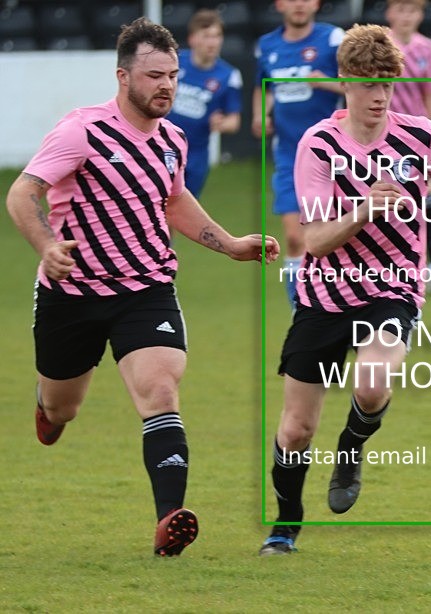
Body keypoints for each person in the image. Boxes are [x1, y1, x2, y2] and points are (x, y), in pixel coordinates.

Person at [5, 18, 279, 557]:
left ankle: (168, 520)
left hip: (145, 287)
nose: (168, 86)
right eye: (155, 76)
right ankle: (47, 404)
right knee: (64, 409)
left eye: (173, 76)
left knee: (160, 392)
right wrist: (47, 247)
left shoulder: (173, 138)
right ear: (123, 75)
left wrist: (230, 244)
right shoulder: (80, 131)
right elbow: (21, 194)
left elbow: (173, 201)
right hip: (73, 293)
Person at [258, 24, 431, 555]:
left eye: (387, 82)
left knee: (373, 379)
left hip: (393, 288)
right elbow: (312, 240)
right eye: (367, 84)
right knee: (294, 430)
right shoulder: (319, 145)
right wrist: (364, 209)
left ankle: (352, 448)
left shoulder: (419, 135)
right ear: (345, 83)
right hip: (325, 294)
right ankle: (286, 522)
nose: (379, 95)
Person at [253, 0, 345, 308]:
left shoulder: (333, 39)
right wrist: (261, 114)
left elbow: (358, 86)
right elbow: (264, 87)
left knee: (333, 239)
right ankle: (301, 310)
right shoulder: (266, 45)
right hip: (289, 156)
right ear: (279, 4)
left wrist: (325, 83)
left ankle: (340, 303)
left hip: (332, 156)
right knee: (296, 239)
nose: (299, 5)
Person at [385, 0, 431, 297]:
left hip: (417, 137)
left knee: (430, 200)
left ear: (421, 15)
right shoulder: (380, 44)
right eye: (401, 10)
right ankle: (396, 271)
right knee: (390, 203)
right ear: (390, 13)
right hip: (386, 137)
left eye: (413, 10)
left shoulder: (426, 48)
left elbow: (430, 95)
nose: (406, 16)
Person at [166, 9, 242, 198]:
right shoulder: (174, 62)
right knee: (161, 211)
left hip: (196, 155)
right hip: (164, 148)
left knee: (184, 213)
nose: (212, 42)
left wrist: (221, 124)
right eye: (206, 36)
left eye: (217, 36)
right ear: (193, 39)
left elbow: (234, 121)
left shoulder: (229, 75)